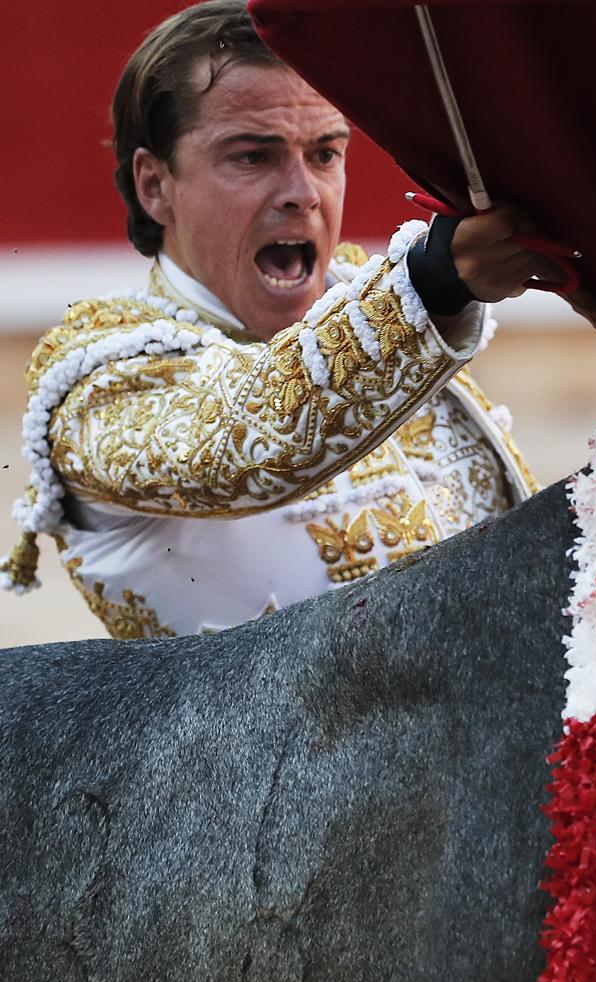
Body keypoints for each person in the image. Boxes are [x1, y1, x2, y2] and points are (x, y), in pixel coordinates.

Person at [5, 0, 560, 638]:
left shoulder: (371, 299)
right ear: (154, 185)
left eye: (325, 154)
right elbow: (246, 444)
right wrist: (429, 287)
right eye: (252, 156)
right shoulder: (100, 380)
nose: (303, 192)